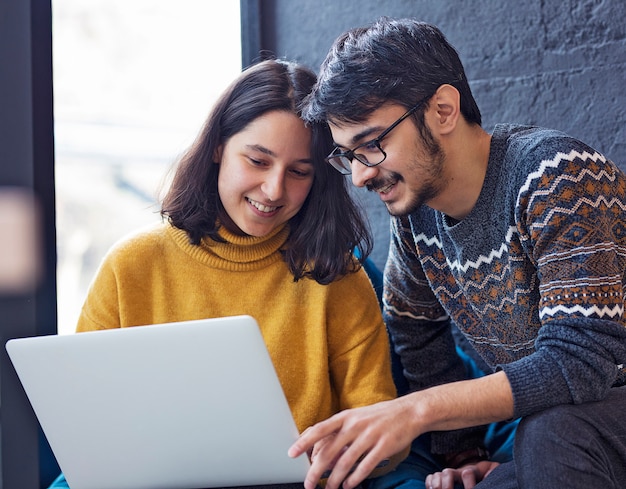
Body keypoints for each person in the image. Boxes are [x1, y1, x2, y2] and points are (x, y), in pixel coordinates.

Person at [288, 17, 626, 489]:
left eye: (371, 145)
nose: (361, 176)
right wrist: (464, 453)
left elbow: (585, 361)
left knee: (552, 429)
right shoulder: (415, 217)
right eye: (348, 156)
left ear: (443, 110)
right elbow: (415, 329)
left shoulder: (559, 175)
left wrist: (417, 411)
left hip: (586, 418)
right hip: (564, 437)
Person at [48, 58, 409, 489]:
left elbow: (384, 434)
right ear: (218, 147)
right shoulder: (131, 266)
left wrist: (345, 450)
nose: (274, 190)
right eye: (257, 161)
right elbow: (86, 425)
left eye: (298, 173)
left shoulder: (336, 274)